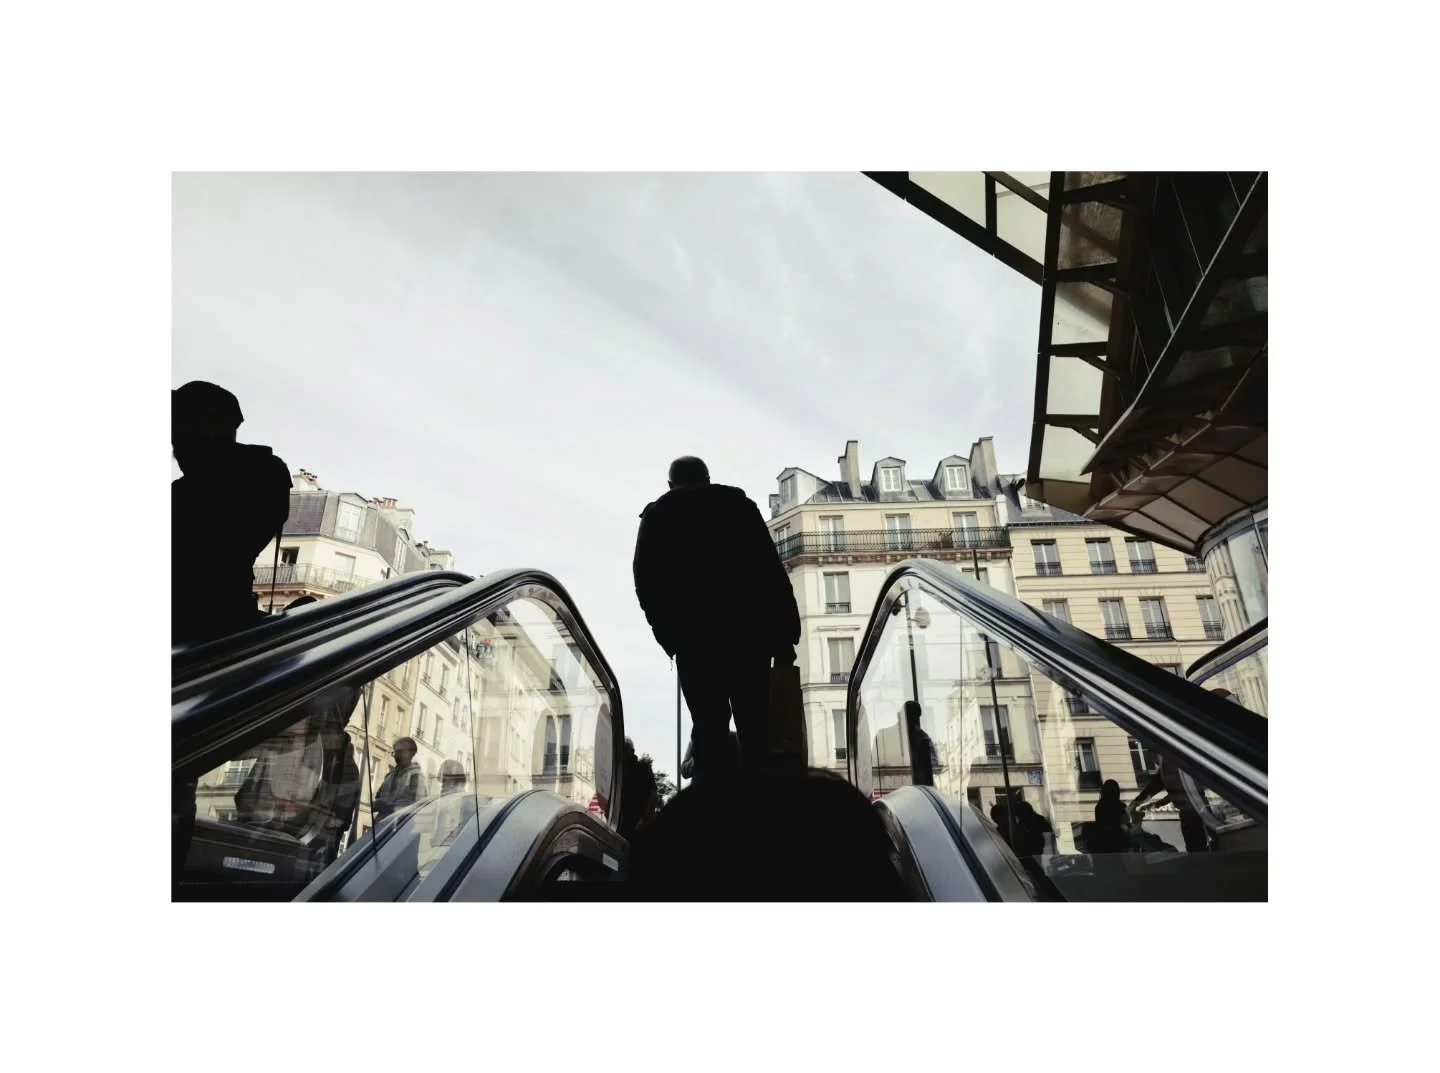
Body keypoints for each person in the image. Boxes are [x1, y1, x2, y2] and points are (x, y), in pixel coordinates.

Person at [633, 456, 801, 785]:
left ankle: (715, 816)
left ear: (671, 484)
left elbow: (646, 585)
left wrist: (670, 637)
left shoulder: (657, 517)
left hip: (696, 644)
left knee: (709, 732)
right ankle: (762, 814)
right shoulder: (740, 507)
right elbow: (771, 574)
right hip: (748, 639)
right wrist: (785, 637)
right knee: (756, 731)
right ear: (708, 479)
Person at [172, 381, 293, 646]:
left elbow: (222, 552)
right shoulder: (265, 473)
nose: (173, 436)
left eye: (179, 424)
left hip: (205, 622)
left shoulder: (192, 490)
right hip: (224, 616)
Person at [374, 737, 427, 821]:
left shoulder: (416, 776)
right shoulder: (390, 775)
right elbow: (378, 797)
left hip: (400, 826)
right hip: (382, 825)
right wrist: (377, 804)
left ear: (410, 753)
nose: (395, 755)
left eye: (398, 752)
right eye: (394, 752)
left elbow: (418, 805)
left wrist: (388, 806)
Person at [1089, 779, 1129, 853]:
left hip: (1103, 843)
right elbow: (1125, 824)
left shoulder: (1099, 806)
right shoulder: (1121, 806)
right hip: (1118, 842)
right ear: (1117, 792)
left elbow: (1100, 824)